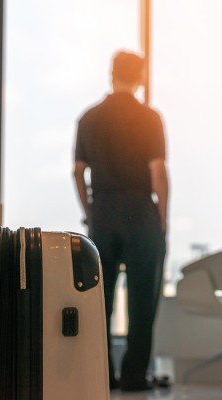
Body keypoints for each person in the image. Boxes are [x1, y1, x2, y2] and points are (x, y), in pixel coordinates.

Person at [73, 50, 168, 392]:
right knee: (143, 300)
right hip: (141, 210)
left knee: (99, 299)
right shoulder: (149, 118)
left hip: (104, 211)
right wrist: (162, 220)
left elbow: (78, 172)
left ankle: (101, 375)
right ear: (140, 76)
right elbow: (158, 173)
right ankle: (133, 377)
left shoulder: (89, 118)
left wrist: (89, 211)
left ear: (111, 74)